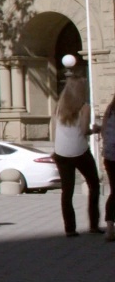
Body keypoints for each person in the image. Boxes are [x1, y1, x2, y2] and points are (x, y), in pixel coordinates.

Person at [51, 75, 102, 237]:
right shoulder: (84, 107)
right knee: (94, 185)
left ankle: (70, 229)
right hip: (79, 151)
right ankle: (93, 225)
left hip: (61, 153)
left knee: (67, 191)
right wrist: (96, 129)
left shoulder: (58, 106)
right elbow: (84, 131)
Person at [101, 92, 115, 241]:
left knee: (114, 192)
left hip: (109, 157)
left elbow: (104, 132)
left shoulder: (109, 110)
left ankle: (110, 227)